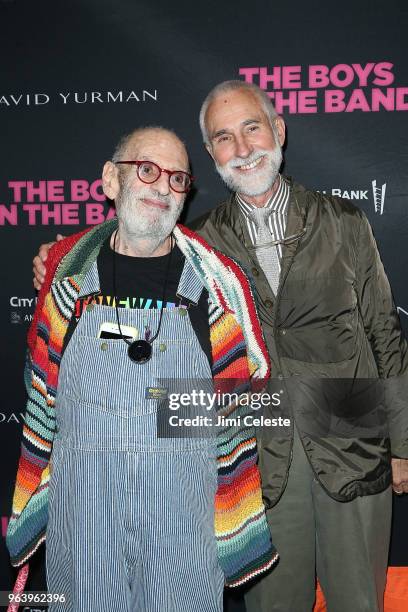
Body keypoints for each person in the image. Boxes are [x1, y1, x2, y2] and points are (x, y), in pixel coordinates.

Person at [32, 82, 408, 612]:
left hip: (352, 431)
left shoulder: (343, 222)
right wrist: (60, 254)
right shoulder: (200, 241)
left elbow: (384, 333)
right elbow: (132, 232)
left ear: (278, 131)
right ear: (211, 155)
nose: (243, 147)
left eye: (252, 127)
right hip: (258, 443)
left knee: (361, 600)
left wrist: (403, 445)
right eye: (223, 138)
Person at [7, 126, 278, 611]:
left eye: (177, 179)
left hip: (181, 521)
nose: (162, 187)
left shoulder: (215, 288)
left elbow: (237, 410)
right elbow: (42, 400)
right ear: (111, 180)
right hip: (85, 517)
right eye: (147, 170)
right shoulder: (66, 277)